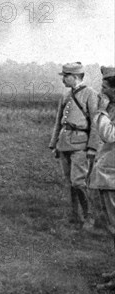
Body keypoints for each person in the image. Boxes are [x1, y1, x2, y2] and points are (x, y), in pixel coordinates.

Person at [49, 62, 100, 226]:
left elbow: (96, 123)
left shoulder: (90, 94)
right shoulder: (65, 96)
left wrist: (92, 147)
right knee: (69, 182)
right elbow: (59, 122)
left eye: (66, 76)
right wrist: (54, 144)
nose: (63, 79)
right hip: (64, 143)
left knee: (79, 182)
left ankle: (89, 217)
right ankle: (74, 216)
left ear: (76, 77)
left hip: (81, 145)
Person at [87, 66, 115, 290]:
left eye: (105, 87)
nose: (101, 91)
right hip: (109, 176)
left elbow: (108, 135)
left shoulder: (109, 109)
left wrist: (101, 111)